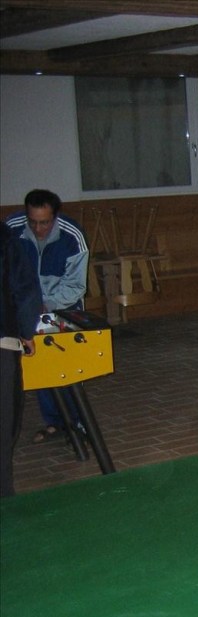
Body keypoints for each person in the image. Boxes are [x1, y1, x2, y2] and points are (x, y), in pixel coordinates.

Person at [4, 189, 89, 443]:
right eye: (33, 222)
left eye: (45, 222)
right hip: (25, 309)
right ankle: (54, 423)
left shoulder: (72, 235)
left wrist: (45, 304)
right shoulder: (11, 229)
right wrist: (24, 307)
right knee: (40, 366)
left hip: (64, 307)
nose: (39, 228)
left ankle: (78, 424)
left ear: (55, 216)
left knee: (70, 370)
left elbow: (75, 285)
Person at [1, 223, 43, 497]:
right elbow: (25, 291)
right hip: (2, 341)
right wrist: (27, 333)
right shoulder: (5, 238)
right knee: (4, 424)